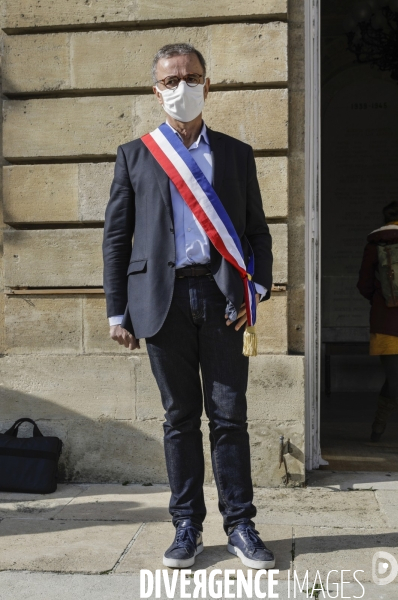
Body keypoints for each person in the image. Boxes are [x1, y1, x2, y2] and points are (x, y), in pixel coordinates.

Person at [102, 43, 274, 570]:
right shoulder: (136, 155)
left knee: (229, 418)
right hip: (162, 302)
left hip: (224, 300)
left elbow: (256, 234)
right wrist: (116, 312)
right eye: (170, 81)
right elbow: (117, 238)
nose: (181, 88)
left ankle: (241, 525)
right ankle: (186, 526)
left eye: (190, 77)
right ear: (156, 91)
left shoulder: (236, 154)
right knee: (179, 419)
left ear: (208, 84)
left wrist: (257, 289)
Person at [357, 200, 398, 442]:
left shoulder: (374, 245)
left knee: (395, 379)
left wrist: (381, 300)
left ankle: (378, 427)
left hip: (386, 324)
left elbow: (363, 284)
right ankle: (378, 427)